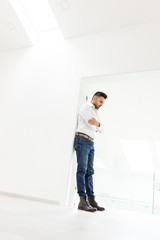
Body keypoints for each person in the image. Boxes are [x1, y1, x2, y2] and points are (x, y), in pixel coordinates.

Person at [74, 91, 107, 212]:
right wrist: (97, 125)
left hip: (91, 142)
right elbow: (91, 124)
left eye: (103, 102)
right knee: (82, 170)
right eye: (100, 101)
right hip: (82, 139)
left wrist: (97, 123)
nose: (102, 104)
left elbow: (101, 127)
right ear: (94, 98)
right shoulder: (86, 107)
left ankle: (91, 199)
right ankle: (82, 201)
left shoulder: (97, 112)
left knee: (90, 171)